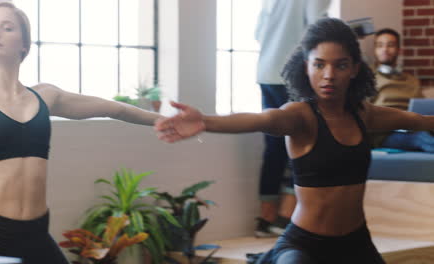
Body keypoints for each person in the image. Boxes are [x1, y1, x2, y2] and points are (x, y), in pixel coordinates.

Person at [155, 18, 434, 263]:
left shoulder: (363, 114)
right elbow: (261, 120)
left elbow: (415, 121)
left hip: (356, 243)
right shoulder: (300, 117)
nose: (328, 75)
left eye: (340, 65)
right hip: (305, 245)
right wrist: (207, 121)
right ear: (306, 67)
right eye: (319, 64)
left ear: (355, 69)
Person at [0, 1, 163, 263]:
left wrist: (164, 121)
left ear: (24, 44)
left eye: (7, 27)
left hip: (35, 233)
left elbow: (115, 109)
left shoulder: (46, 96)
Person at [254, 0, 331, 237]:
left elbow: (258, 33)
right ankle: (286, 216)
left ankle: (265, 218)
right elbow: (318, 33)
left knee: (274, 146)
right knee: (305, 141)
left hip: (266, 71)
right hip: (293, 74)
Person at [369, 28, 434, 152]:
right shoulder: (369, 77)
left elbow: (422, 110)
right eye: (380, 45)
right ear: (375, 50)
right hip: (385, 134)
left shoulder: (412, 81)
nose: (385, 49)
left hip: (413, 126)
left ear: (399, 50)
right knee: (420, 138)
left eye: (391, 45)